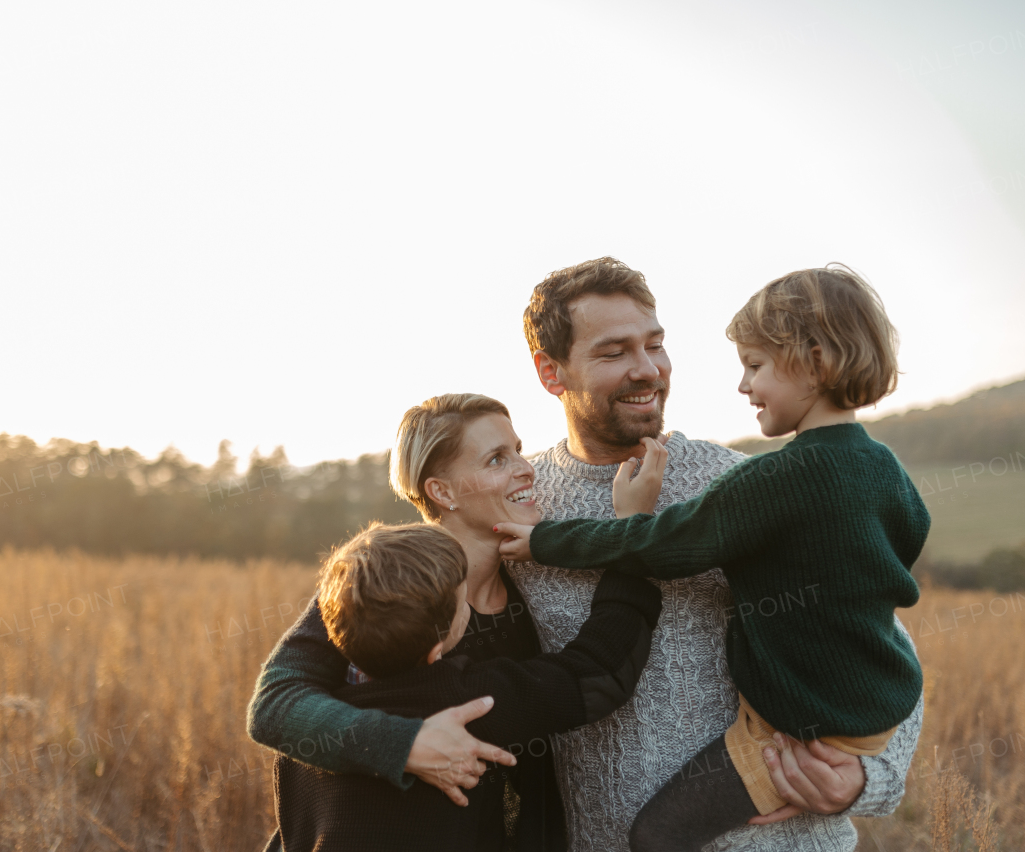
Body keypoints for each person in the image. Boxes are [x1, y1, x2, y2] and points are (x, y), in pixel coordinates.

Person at [497, 264, 928, 851]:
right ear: (552, 372)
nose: (647, 369)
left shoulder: (743, 480)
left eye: (655, 344)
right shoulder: (516, 507)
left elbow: (876, 639)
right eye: (614, 352)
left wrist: (864, 781)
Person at [249, 394, 577, 848]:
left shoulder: (531, 579)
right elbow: (275, 704)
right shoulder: (383, 582)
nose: (527, 467)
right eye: (498, 458)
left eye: (519, 449)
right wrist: (403, 744)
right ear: (441, 491)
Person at [272, 521, 662, 851]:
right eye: (462, 603)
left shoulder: (301, 731)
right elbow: (599, 670)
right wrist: (633, 541)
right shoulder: (469, 706)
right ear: (436, 648)